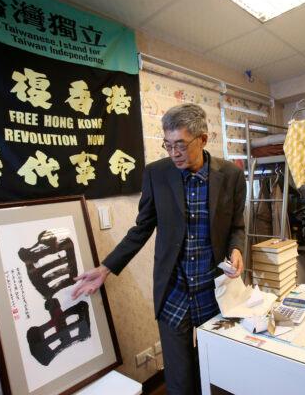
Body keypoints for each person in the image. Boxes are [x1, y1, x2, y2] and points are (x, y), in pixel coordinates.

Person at [72, 103, 246, 394]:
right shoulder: (156, 174)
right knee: (178, 379)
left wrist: (237, 249)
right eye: (168, 145)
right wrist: (107, 267)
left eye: (181, 144)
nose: (174, 152)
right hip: (174, 290)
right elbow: (141, 228)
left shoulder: (230, 175)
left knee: (214, 368)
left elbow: (236, 227)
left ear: (203, 139)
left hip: (214, 288)